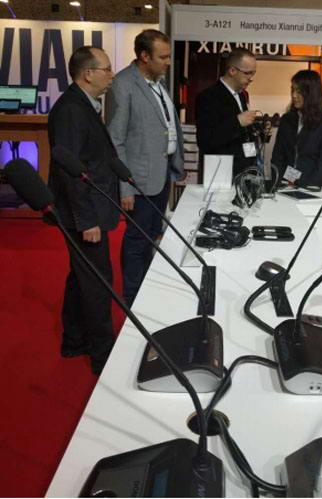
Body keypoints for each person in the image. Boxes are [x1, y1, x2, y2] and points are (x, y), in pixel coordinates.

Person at [48, 46, 118, 375]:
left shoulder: (84, 104)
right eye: (107, 69)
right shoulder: (71, 110)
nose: (112, 75)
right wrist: (87, 219)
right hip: (83, 213)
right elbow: (69, 170)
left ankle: (74, 341)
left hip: (91, 207)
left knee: (81, 277)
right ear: (88, 74)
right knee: (97, 282)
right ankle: (104, 356)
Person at [106, 29, 185, 306]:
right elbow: (115, 140)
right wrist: (125, 187)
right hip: (138, 181)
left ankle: (146, 290)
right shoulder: (123, 84)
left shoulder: (157, 83)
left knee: (152, 236)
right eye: (163, 57)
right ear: (144, 56)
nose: (168, 62)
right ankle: (132, 298)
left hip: (161, 175)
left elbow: (166, 126)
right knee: (137, 240)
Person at [195, 48, 258, 178]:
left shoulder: (241, 95)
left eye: (253, 73)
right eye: (248, 73)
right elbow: (205, 141)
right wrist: (237, 122)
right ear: (232, 71)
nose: (251, 79)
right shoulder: (208, 97)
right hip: (222, 174)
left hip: (245, 172)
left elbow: (241, 132)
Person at [271, 69, 322, 187]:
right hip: (284, 186)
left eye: (299, 91)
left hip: (313, 188)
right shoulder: (286, 120)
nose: (294, 95)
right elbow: (278, 156)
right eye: (292, 90)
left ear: (311, 93)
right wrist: (278, 183)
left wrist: (307, 187)